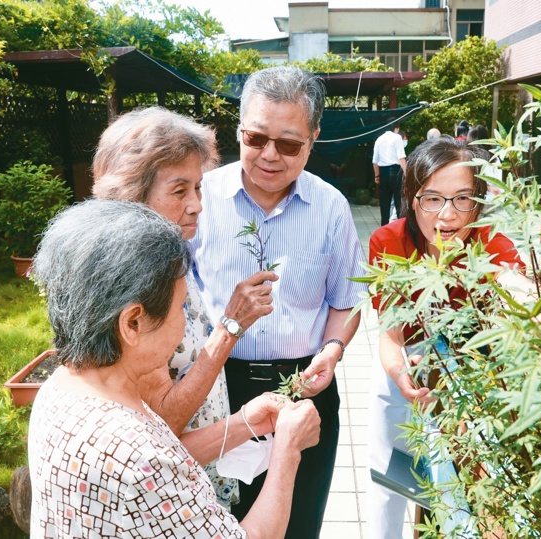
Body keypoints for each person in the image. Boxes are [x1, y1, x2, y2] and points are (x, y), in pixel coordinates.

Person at [28, 199, 321, 538]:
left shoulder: (60, 389)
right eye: (181, 306)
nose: (186, 323)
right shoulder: (138, 456)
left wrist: (243, 423)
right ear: (133, 323)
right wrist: (288, 449)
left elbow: (166, 464)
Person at [189, 65, 366, 539]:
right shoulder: (199, 199)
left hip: (304, 391)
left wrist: (331, 352)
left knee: (299, 524)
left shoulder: (330, 207)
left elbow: (346, 301)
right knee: (217, 524)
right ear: (239, 130)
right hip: (219, 390)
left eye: (288, 144)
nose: (269, 155)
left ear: (313, 139)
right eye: (255, 138)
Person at [92, 106, 279, 509]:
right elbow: (166, 418)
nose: (196, 204)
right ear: (132, 192)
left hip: (196, 473)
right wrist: (232, 324)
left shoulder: (168, 256)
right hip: (167, 494)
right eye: (179, 191)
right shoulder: (132, 282)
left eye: (198, 188)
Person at [366, 137, 526, 538]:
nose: (447, 214)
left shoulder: (490, 244)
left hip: (473, 380)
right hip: (409, 370)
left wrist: (528, 299)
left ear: (480, 200)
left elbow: (519, 291)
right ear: (412, 197)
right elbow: (391, 333)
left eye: (462, 199)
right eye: (432, 199)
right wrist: (399, 373)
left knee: (461, 492)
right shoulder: (389, 242)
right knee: (390, 484)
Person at [373, 123, 407, 226]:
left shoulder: (379, 139)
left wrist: (377, 175)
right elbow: (401, 158)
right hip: (396, 171)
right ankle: (401, 228)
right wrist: (407, 174)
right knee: (399, 202)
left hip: (383, 172)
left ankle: (384, 228)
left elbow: (375, 161)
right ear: (396, 128)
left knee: (384, 204)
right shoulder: (397, 138)